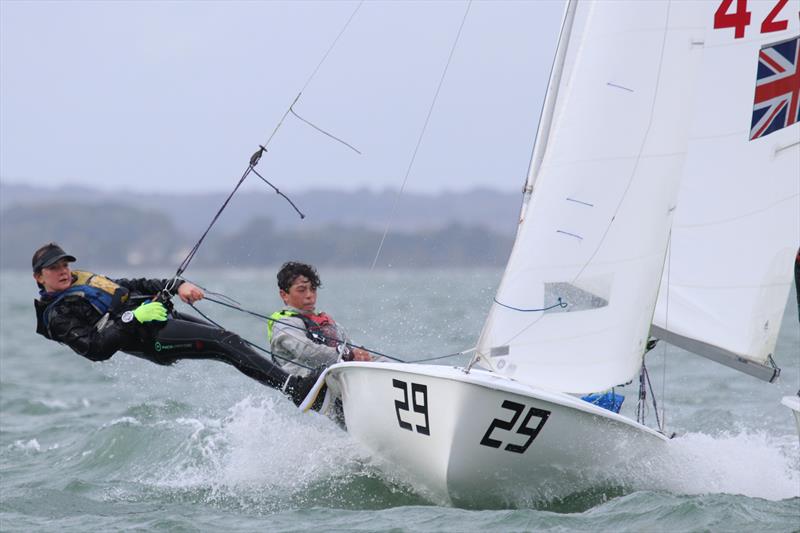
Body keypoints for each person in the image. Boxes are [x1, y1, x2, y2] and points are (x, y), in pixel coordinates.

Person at [32, 243, 317, 405]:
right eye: (54, 268)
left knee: (229, 341)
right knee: (226, 344)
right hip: (150, 340)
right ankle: (295, 388)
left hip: (159, 320)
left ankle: (295, 383)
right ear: (39, 277)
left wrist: (178, 285)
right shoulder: (58, 317)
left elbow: (134, 285)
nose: (63, 271)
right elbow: (95, 349)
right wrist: (134, 318)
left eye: (65, 265)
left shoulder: (83, 281)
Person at [268, 261, 372, 378]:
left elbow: (351, 348)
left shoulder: (325, 320)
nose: (309, 295)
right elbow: (306, 350)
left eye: (313, 289)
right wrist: (346, 355)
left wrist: (362, 356)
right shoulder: (284, 324)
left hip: (341, 378)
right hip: (310, 385)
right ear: (284, 295)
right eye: (301, 290)